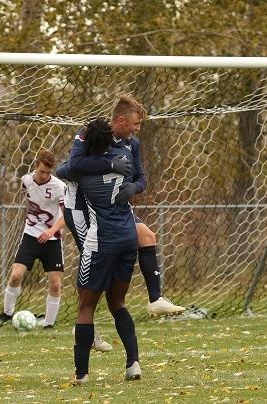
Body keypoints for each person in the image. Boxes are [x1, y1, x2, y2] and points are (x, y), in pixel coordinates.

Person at [58, 95, 185, 317]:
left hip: (114, 210)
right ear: (120, 120)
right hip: (83, 210)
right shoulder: (90, 135)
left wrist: (133, 189)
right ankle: (85, 322)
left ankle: (155, 299)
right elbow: (68, 167)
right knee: (91, 270)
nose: (137, 129)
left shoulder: (131, 144)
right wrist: (109, 164)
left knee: (147, 236)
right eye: (135, 124)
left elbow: (141, 179)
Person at [65, 117, 142, 384]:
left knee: (86, 306)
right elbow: (140, 179)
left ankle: (81, 374)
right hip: (128, 238)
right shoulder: (125, 160)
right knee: (118, 302)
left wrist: (82, 144)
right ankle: (133, 363)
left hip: (100, 242)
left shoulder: (81, 170)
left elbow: (66, 167)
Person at [0, 150, 68, 330]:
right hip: (30, 236)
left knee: (56, 284)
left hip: (52, 239)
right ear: (35, 167)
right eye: (41, 171)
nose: (44, 176)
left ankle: (49, 323)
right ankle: (7, 313)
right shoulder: (26, 181)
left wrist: (52, 231)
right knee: (16, 275)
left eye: (48, 173)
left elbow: (67, 215)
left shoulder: (59, 187)